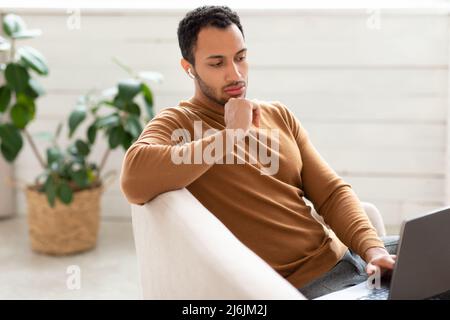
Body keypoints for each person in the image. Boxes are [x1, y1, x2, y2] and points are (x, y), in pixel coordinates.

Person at [120, 5, 397, 299]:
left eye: (241, 58)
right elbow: (134, 179)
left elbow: (330, 192)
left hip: (350, 258)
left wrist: (373, 250)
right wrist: (231, 135)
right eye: (217, 63)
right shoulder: (179, 123)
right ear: (189, 68)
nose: (235, 74)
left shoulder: (278, 114)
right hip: (310, 284)